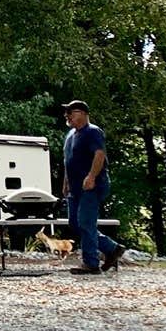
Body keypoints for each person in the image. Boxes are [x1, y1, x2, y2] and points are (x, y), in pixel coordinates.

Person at [61, 101, 124, 274]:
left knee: (85, 221)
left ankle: (91, 263)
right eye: (66, 113)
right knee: (75, 223)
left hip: (92, 185)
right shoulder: (70, 135)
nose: (67, 115)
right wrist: (66, 182)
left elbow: (99, 154)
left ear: (82, 113)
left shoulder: (93, 132)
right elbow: (68, 160)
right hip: (74, 187)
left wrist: (92, 176)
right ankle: (112, 248)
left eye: (70, 112)